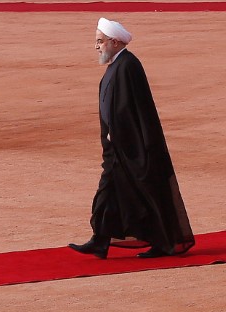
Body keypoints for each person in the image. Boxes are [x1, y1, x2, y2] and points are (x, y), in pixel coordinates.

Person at [69, 17, 195, 259]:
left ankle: (164, 244)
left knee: (146, 194)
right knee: (109, 194)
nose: (97, 46)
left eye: (100, 41)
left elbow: (132, 108)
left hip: (134, 148)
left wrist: (117, 132)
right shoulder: (118, 65)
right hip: (118, 149)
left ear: (115, 42)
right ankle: (100, 240)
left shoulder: (128, 65)